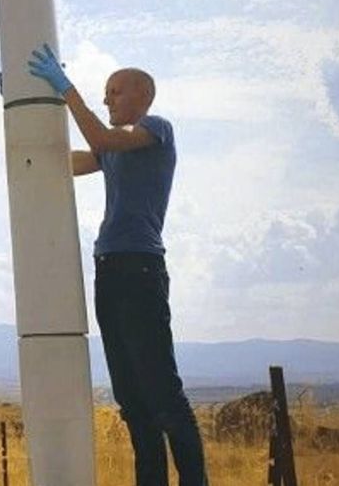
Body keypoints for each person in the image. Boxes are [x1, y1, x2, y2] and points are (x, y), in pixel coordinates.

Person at [28, 43, 208, 486]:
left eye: (115, 91)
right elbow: (56, 164)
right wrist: (22, 110)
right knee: (133, 401)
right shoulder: (112, 151)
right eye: (104, 93)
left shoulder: (155, 130)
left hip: (140, 268)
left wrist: (67, 89)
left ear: (143, 96)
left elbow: (102, 139)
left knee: (163, 395)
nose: (107, 99)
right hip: (108, 269)